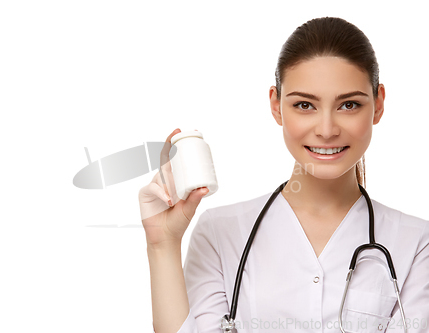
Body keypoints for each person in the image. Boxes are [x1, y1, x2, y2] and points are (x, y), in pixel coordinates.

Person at [138, 17, 429, 333]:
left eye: (349, 105)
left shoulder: (416, 244)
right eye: (305, 104)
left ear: (378, 105)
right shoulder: (219, 234)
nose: (327, 130)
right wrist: (162, 244)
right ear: (276, 106)